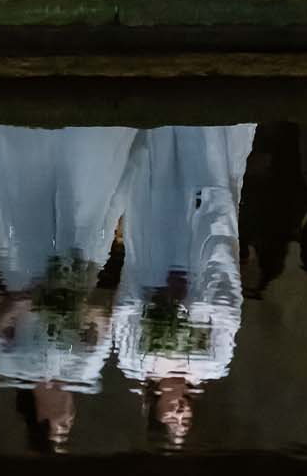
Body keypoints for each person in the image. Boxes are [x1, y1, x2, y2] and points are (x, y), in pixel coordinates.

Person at [0, 125, 140, 449]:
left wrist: (29, 301)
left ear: (41, 418)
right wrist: (76, 307)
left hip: (21, 267)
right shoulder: (85, 371)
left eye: (62, 427)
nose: (70, 419)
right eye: (68, 427)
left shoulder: (10, 367)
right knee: (81, 199)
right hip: (75, 271)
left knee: (24, 197)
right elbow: (102, 324)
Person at [108, 124, 258, 447]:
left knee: (156, 175)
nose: (180, 414)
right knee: (203, 170)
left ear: (154, 413)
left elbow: (122, 309)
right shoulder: (213, 362)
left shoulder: (134, 361)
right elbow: (228, 311)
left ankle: (158, 120)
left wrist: (155, 302)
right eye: (184, 423)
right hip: (199, 259)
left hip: (153, 257)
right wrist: (189, 305)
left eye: (171, 421)